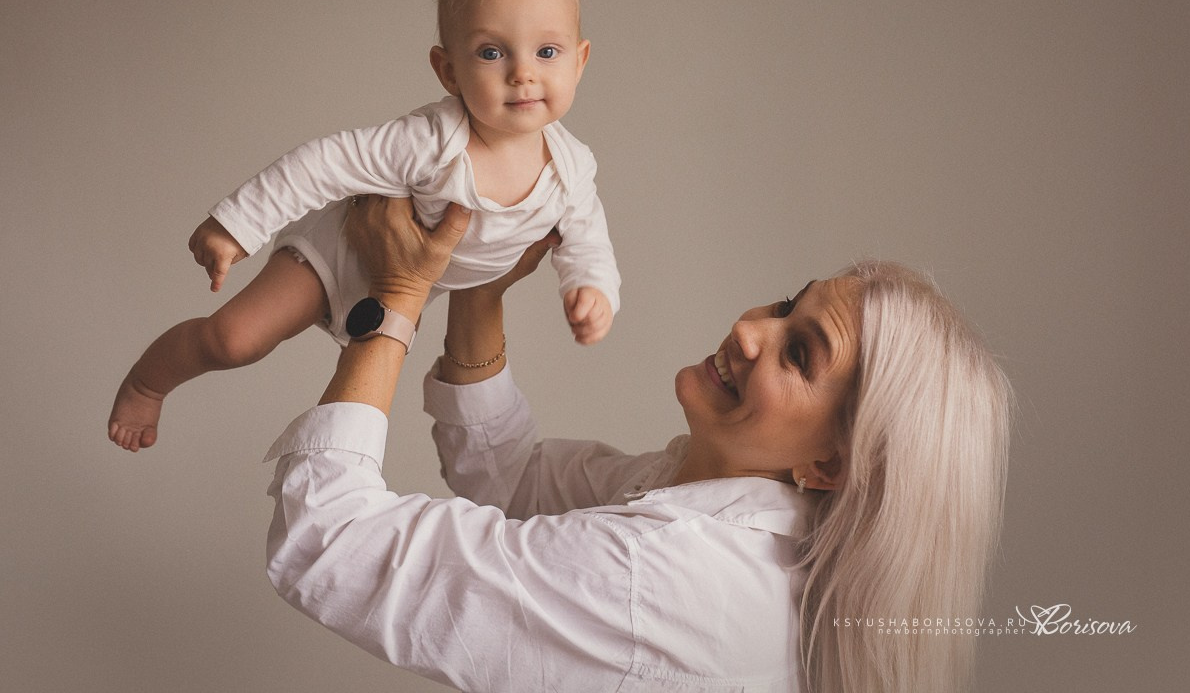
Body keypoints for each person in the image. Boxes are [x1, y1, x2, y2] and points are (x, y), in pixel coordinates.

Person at [264, 195, 1012, 693]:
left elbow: (330, 542)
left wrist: (396, 303)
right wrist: (478, 280)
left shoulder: (664, 574)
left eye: (799, 354)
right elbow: (513, 476)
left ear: (830, 463)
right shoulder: (746, 518)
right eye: (787, 306)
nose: (751, 331)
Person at [108, 0, 619, 452]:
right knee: (233, 341)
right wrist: (236, 224)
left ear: (580, 61)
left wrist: (591, 287)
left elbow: (587, 237)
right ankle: (146, 383)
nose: (523, 73)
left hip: (407, 289)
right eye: (492, 52)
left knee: (367, 402)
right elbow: (327, 162)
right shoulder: (432, 140)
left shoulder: (571, 168)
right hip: (338, 256)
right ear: (448, 71)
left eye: (546, 52)